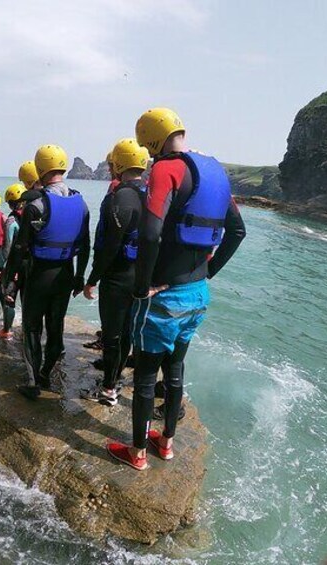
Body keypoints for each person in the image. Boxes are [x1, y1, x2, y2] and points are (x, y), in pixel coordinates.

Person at [107, 108, 246, 470]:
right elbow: (238, 231)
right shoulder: (215, 171)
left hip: (163, 297)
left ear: (152, 140)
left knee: (145, 378)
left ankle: (137, 453)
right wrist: (208, 272)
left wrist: (142, 286)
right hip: (198, 293)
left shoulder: (167, 169)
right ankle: (166, 444)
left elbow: (151, 234)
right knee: (176, 369)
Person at [2, 145, 90, 399]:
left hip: (39, 275)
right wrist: (80, 276)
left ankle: (34, 381)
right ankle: (48, 373)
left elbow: (20, 249)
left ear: (40, 169)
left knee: (32, 328)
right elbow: (85, 245)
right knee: (55, 326)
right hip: (65, 274)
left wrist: (9, 280)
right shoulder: (81, 203)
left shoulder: (35, 206)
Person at [81, 138, 149, 406]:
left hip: (118, 277)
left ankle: (109, 390)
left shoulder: (120, 198)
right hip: (142, 276)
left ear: (118, 164)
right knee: (127, 333)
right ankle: (115, 378)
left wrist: (92, 279)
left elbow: (110, 247)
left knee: (112, 335)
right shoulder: (152, 194)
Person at [83, 151, 119, 351]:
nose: (109, 168)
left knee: (108, 303)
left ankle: (106, 338)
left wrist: (93, 277)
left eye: (111, 164)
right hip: (123, 258)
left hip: (109, 256)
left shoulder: (116, 187)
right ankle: (108, 333)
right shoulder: (136, 189)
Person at [0, 183, 26, 339]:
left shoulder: (11, 221)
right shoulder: (32, 215)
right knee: (27, 298)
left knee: (9, 297)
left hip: (15, 266)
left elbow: (6, 247)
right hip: (31, 265)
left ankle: (6, 330)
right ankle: (28, 330)